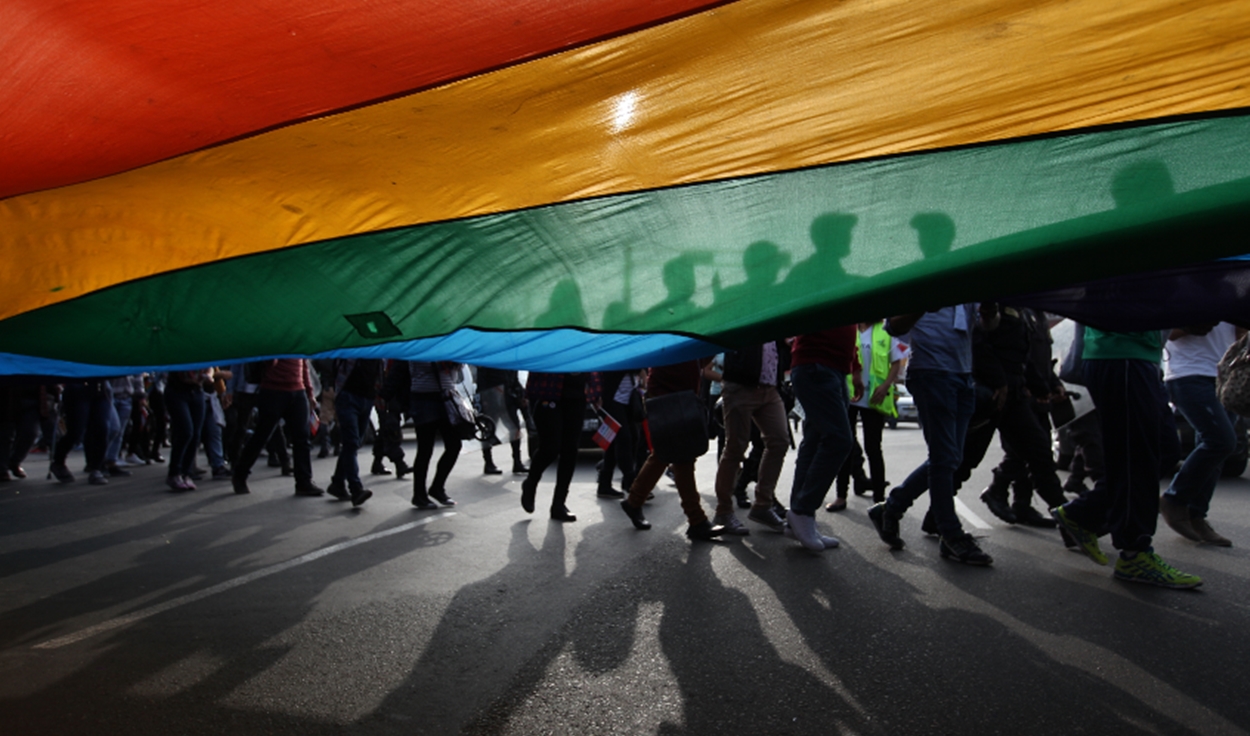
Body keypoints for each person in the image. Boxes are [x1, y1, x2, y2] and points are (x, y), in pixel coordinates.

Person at [1051, 327, 1203, 588]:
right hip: (1121, 355)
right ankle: (1134, 553)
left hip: (1142, 358)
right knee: (1136, 459)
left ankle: (1083, 513)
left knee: (1164, 449)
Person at [868, 302, 998, 565]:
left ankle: (891, 508)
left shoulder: (969, 281)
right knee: (944, 458)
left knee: (950, 457)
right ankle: (951, 535)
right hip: (931, 373)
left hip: (963, 376)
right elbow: (892, 326)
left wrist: (989, 311)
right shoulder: (926, 277)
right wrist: (926, 302)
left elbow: (988, 326)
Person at [618, 359, 726, 541]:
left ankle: (634, 501)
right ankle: (696, 520)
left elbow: (704, 358)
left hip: (678, 391)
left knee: (665, 454)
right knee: (680, 457)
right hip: (667, 392)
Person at [1159, 322, 1245, 547]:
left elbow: (1238, 335)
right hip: (1188, 373)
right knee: (1221, 441)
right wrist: (1200, 320)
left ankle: (1196, 516)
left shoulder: (1230, 290)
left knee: (1215, 450)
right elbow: (1168, 333)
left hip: (1225, 374)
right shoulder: (1184, 290)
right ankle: (1173, 499)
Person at [787, 325, 863, 550]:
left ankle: (798, 518)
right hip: (816, 365)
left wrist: (854, 367)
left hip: (834, 367)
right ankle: (802, 511)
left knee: (814, 441)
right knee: (839, 439)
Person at [712, 340, 791, 534]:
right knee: (736, 447)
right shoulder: (743, 309)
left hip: (770, 387)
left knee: (779, 441)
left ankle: (763, 504)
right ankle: (723, 510)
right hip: (740, 385)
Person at [828, 320, 905, 510]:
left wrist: (886, 385)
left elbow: (896, 362)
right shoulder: (850, 329)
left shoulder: (886, 331)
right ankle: (841, 496)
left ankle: (880, 498)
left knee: (873, 447)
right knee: (845, 445)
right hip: (849, 395)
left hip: (874, 398)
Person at [231, 359, 323, 497]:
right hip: (273, 390)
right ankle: (240, 475)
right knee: (262, 436)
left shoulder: (296, 339)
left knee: (302, 438)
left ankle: (304, 482)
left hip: (298, 390)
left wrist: (309, 393)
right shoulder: (274, 338)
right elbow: (267, 361)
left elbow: (304, 365)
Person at [520, 372, 601, 522]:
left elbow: (592, 364)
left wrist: (596, 394)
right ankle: (531, 483)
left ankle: (559, 504)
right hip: (549, 395)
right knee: (550, 448)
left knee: (570, 452)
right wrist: (527, 394)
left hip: (576, 399)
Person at [408, 361, 466, 509]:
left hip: (446, 396)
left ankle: (437, 488)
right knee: (425, 449)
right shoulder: (420, 343)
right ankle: (419, 495)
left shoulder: (447, 346)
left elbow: (459, 365)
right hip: (424, 398)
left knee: (454, 445)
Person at [325, 359, 382, 507]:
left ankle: (338, 482)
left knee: (354, 443)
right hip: (347, 395)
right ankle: (356, 489)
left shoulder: (377, 350)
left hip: (367, 397)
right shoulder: (350, 344)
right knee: (351, 443)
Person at [475, 366, 529, 476]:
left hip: (508, 398)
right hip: (492, 397)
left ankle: (517, 462)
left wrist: (521, 394)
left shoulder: (509, 359)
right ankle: (489, 463)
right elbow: (482, 379)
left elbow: (514, 379)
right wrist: (484, 398)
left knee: (515, 429)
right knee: (488, 431)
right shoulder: (490, 358)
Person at [163, 370, 207, 491]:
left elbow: (210, 367)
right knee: (186, 431)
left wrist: (209, 375)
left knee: (196, 435)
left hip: (197, 390)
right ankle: (174, 473)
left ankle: (186, 473)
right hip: (177, 390)